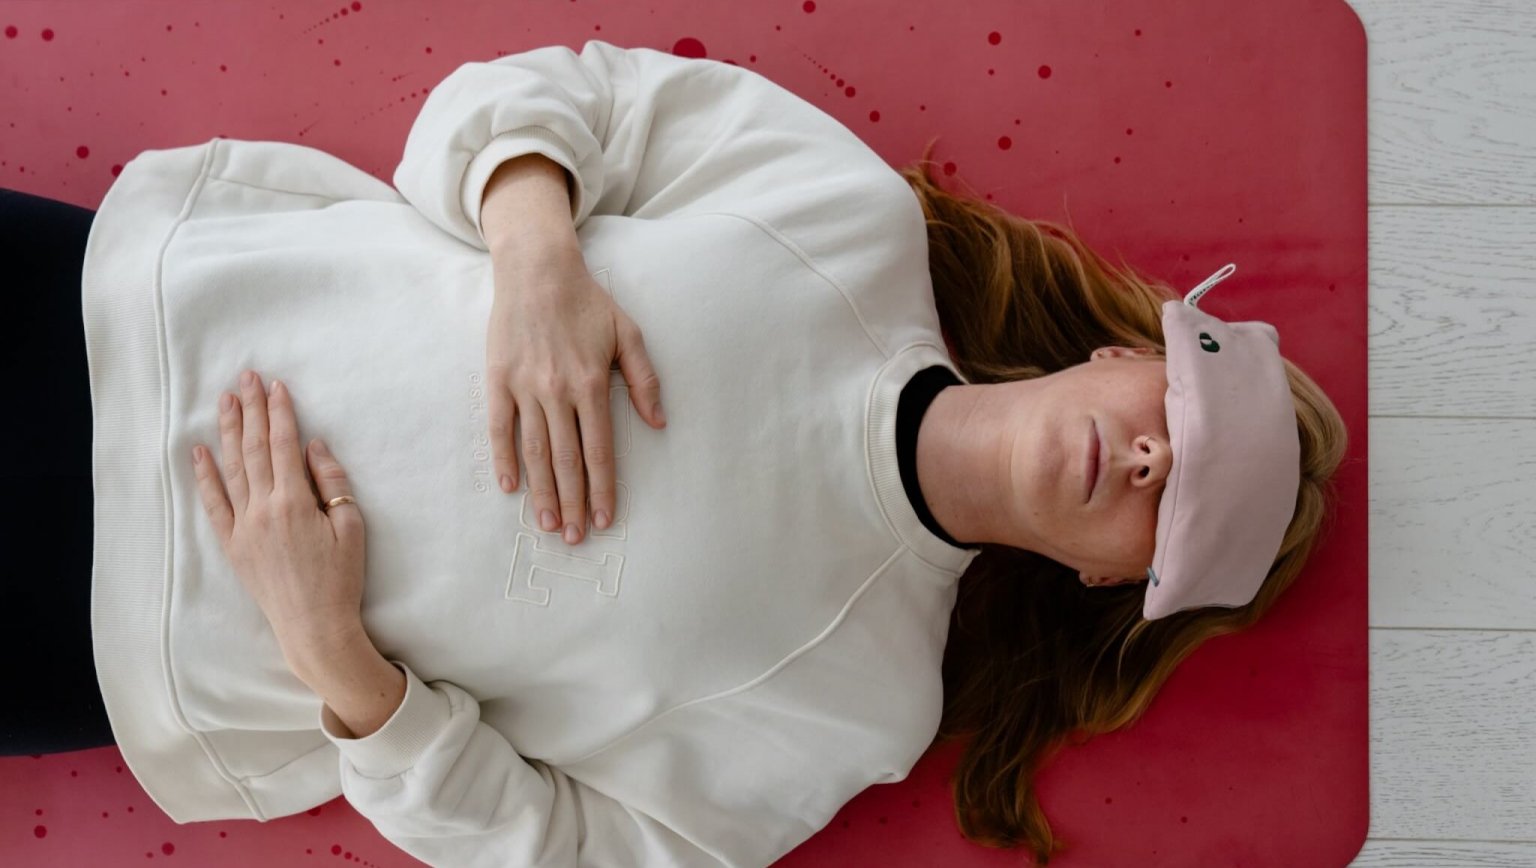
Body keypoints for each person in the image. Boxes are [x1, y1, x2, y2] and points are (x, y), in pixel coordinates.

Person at [0, 39, 1347, 868]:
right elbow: (556, 96)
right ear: (1119, 355)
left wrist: (333, 655)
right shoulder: (847, 218)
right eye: (1182, 408)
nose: (1154, 460)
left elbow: (565, 852)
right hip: (129, 308)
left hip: (112, 632)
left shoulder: (864, 706)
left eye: (1177, 514)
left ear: (1111, 581)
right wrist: (536, 255)